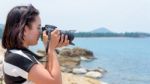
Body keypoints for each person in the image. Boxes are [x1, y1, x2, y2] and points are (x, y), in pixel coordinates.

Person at [2, 4, 69, 84]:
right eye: (38, 27)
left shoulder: (14, 54)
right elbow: (56, 82)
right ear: (25, 30)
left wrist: (49, 47)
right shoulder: (16, 58)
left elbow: (47, 75)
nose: (41, 32)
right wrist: (51, 48)